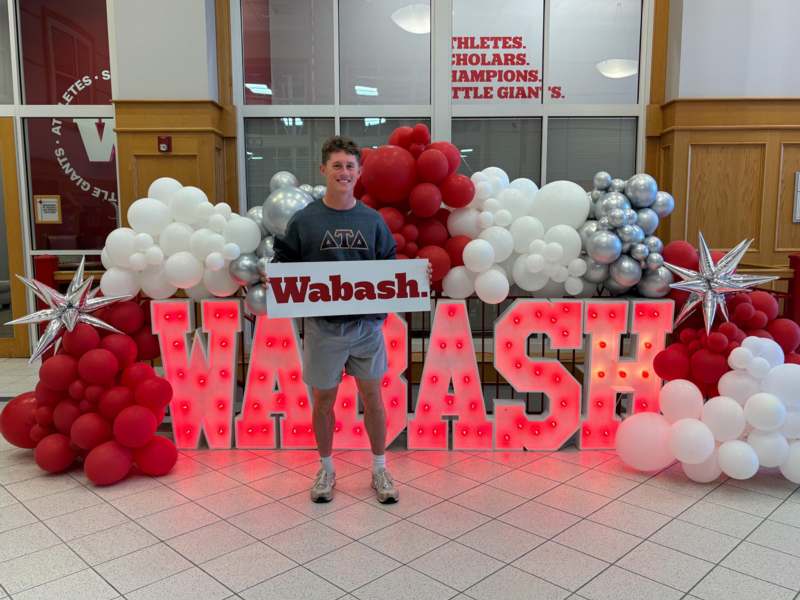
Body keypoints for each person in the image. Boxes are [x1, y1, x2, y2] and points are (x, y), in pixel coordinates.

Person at [273, 135, 416, 504]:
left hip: (366, 327)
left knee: (374, 398)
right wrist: (274, 278)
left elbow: (388, 268)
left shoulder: (372, 221)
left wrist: (414, 277)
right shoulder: (305, 220)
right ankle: (326, 468)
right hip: (324, 328)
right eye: (337, 165)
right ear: (323, 170)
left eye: (350, 166)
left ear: (359, 172)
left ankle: (380, 468)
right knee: (323, 401)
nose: (344, 172)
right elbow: (284, 263)